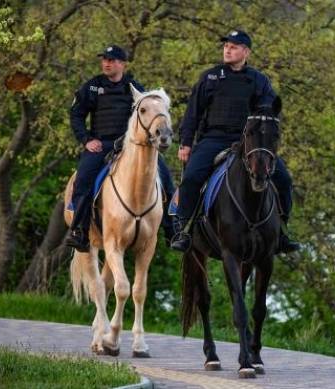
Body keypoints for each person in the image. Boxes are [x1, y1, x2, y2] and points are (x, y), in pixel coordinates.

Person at [170, 30, 300, 253]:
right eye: (226, 46)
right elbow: (193, 111)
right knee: (191, 177)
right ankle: (183, 229)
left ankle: (282, 232)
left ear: (246, 52)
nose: (227, 50)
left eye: (233, 46)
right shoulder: (210, 77)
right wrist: (186, 143)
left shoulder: (259, 81)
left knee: (284, 179)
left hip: (248, 143)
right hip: (213, 138)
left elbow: (269, 112)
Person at [65, 44, 175, 252]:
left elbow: (150, 114)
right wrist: (86, 139)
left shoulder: (135, 87)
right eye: (104, 59)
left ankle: (172, 230)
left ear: (122, 64)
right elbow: (76, 114)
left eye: (112, 60)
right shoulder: (92, 86)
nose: (106, 63)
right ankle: (79, 231)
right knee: (82, 181)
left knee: (167, 181)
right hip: (101, 145)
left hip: (131, 146)